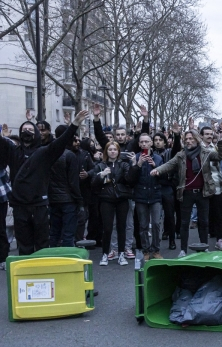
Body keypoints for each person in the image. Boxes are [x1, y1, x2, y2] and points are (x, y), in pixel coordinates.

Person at [0, 110, 88, 255]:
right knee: (24, 245)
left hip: (39, 205)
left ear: (36, 133)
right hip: (19, 205)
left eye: (30, 129)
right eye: (24, 129)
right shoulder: (13, 151)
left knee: (42, 244)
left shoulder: (44, 153)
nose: (26, 132)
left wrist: (74, 124)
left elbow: (61, 142)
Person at [151, 124, 222, 257]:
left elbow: (221, 156)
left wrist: (220, 141)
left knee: (204, 222)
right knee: (184, 223)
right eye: (186, 139)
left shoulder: (206, 153)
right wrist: (158, 170)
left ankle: (205, 247)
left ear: (197, 139)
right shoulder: (181, 155)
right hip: (186, 192)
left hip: (203, 192)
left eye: (191, 138)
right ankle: (183, 250)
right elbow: (169, 164)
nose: (188, 141)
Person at [91, 142, 132, 265]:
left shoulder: (124, 164)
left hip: (122, 199)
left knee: (121, 227)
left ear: (118, 152)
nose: (113, 152)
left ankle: (121, 254)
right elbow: (93, 183)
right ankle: (105, 254)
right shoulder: (100, 165)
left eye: (115, 149)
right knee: (107, 228)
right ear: (106, 152)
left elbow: (129, 180)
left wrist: (134, 165)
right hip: (106, 199)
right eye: (110, 149)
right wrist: (101, 175)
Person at [127, 133, 164, 261]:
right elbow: (130, 180)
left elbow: (164, 179)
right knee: (143, 225)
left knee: (155, 224)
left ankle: (156, 249)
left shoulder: (158, 158)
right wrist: (137, 165)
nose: (144, 144)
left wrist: (155, 166)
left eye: (146, 142)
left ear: (151, 143)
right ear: (138, 144)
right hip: (140, 196)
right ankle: (146, 250)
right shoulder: (135, 157)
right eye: (141, 142)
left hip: (155, 195)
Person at [47, 125, 84, 247]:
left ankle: (52, 258)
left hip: (53, 198)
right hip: (68, 199)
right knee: (68, 234)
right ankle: (67, 260)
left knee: (54, 233)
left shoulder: (49, 152)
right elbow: (73, 182)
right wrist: (79, 200)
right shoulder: (70, 155)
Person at [153, 123, 182, 250]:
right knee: (154, 217)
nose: (158, 142)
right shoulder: (149, 153)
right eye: (156, 140)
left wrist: (176, 135)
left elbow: (176, 149)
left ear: (165, 142)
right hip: (154, 187)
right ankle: (154, 241)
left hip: (167, 187)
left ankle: (172, 239)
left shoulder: (170, 152)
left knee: (170, 215)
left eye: (160, 140)